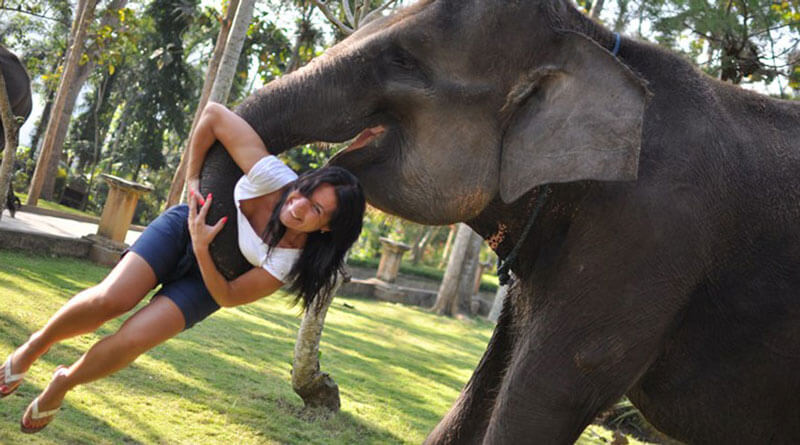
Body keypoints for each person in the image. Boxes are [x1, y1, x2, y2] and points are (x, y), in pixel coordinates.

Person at [2, 102, 366, 433]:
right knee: (112, 299)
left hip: (212, 282)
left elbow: (230, 296)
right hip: (180, 230)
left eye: (315, 210)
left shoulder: (292, 259)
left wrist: (202, 247)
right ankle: (34, 347)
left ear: (327, 228)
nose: (299, 206)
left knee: (134, 339)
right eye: (306, 192)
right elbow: (213, 114)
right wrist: (193, 180)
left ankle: (64, 382)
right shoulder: (273, 177)